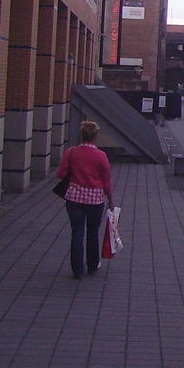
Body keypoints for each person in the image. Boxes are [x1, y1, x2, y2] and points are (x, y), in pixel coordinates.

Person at [56, 120, 114, 279]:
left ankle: (77, 270)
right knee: (93, 232)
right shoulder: (101, 156)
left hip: (74, 199)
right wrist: (110, 200)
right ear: (95, 137)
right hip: (95, 200)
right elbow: (106, 182)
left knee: (77, 232)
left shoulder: (71, 152)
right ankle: (93, 265)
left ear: (81, 135)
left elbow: (61, 174)